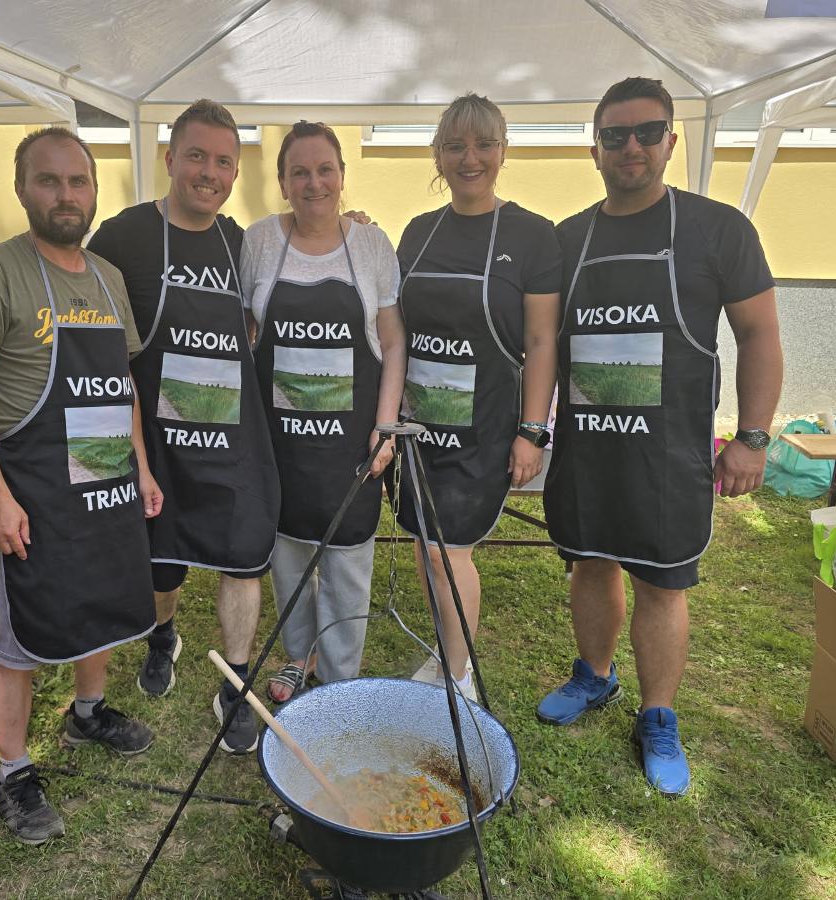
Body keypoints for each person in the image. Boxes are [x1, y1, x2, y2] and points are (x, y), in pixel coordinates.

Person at [540, 77, 783, 797]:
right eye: (615, 136)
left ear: (672, 141)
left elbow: (759, 334)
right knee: (589, 565)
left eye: (647, 132)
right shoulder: (567, 239)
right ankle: (594, 676)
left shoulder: (717, 230)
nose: (632, 147)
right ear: (595, 149)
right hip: (587, 446)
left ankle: (657, 715)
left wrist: (754, 437)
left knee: (662, 581)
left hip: (669, 452)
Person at [0, 127, 161, 844]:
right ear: (22, 189)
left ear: (94, 190)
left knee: (99, 598)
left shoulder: (107, 277)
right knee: (20, 630)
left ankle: (87, 713)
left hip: (105, 475)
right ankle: (13, 771)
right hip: (34, 484)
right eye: (49, 181)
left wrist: (141, 466)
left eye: (78, 181)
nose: (66, 195)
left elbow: (121, 382)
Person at [85, 101, 279, 754]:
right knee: (161, 564)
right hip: (158, 440)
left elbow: (307, 252)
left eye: (224, 161)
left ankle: (235, 682)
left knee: (243, 554)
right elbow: (66, 275)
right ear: (169, 159)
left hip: (230, 436)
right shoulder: (126, 235)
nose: (209, 172)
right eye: (196, 156)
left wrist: (353, 224)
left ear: (235, 172)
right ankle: (163, 634)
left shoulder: (242, 243)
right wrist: (0, 264)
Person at [396, 94, 561, 701]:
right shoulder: (419, 231)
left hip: (485, 425)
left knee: (449, 554)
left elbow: (541, 342)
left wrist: (533, 430)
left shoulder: (532, 235)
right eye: (456, 146)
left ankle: (458, 678)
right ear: (438, 154)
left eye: (484, 144)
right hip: (418, 425)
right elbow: (395, 323)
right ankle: (444, 652)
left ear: (503, 151)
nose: (470, 158)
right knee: (425, 543)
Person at [240, 121, 405, 702]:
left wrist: (386, 427)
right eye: (300, 172)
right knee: (288, 557)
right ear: (283, 182)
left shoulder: (372, 246)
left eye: (325, 169)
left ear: (342, 175)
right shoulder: (259, 241)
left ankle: (340, 680)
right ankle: (297, 655)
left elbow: (392, 342)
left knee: (347, 562)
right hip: (280, 442)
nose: (314, 183)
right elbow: (246, 332)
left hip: (352, 441)